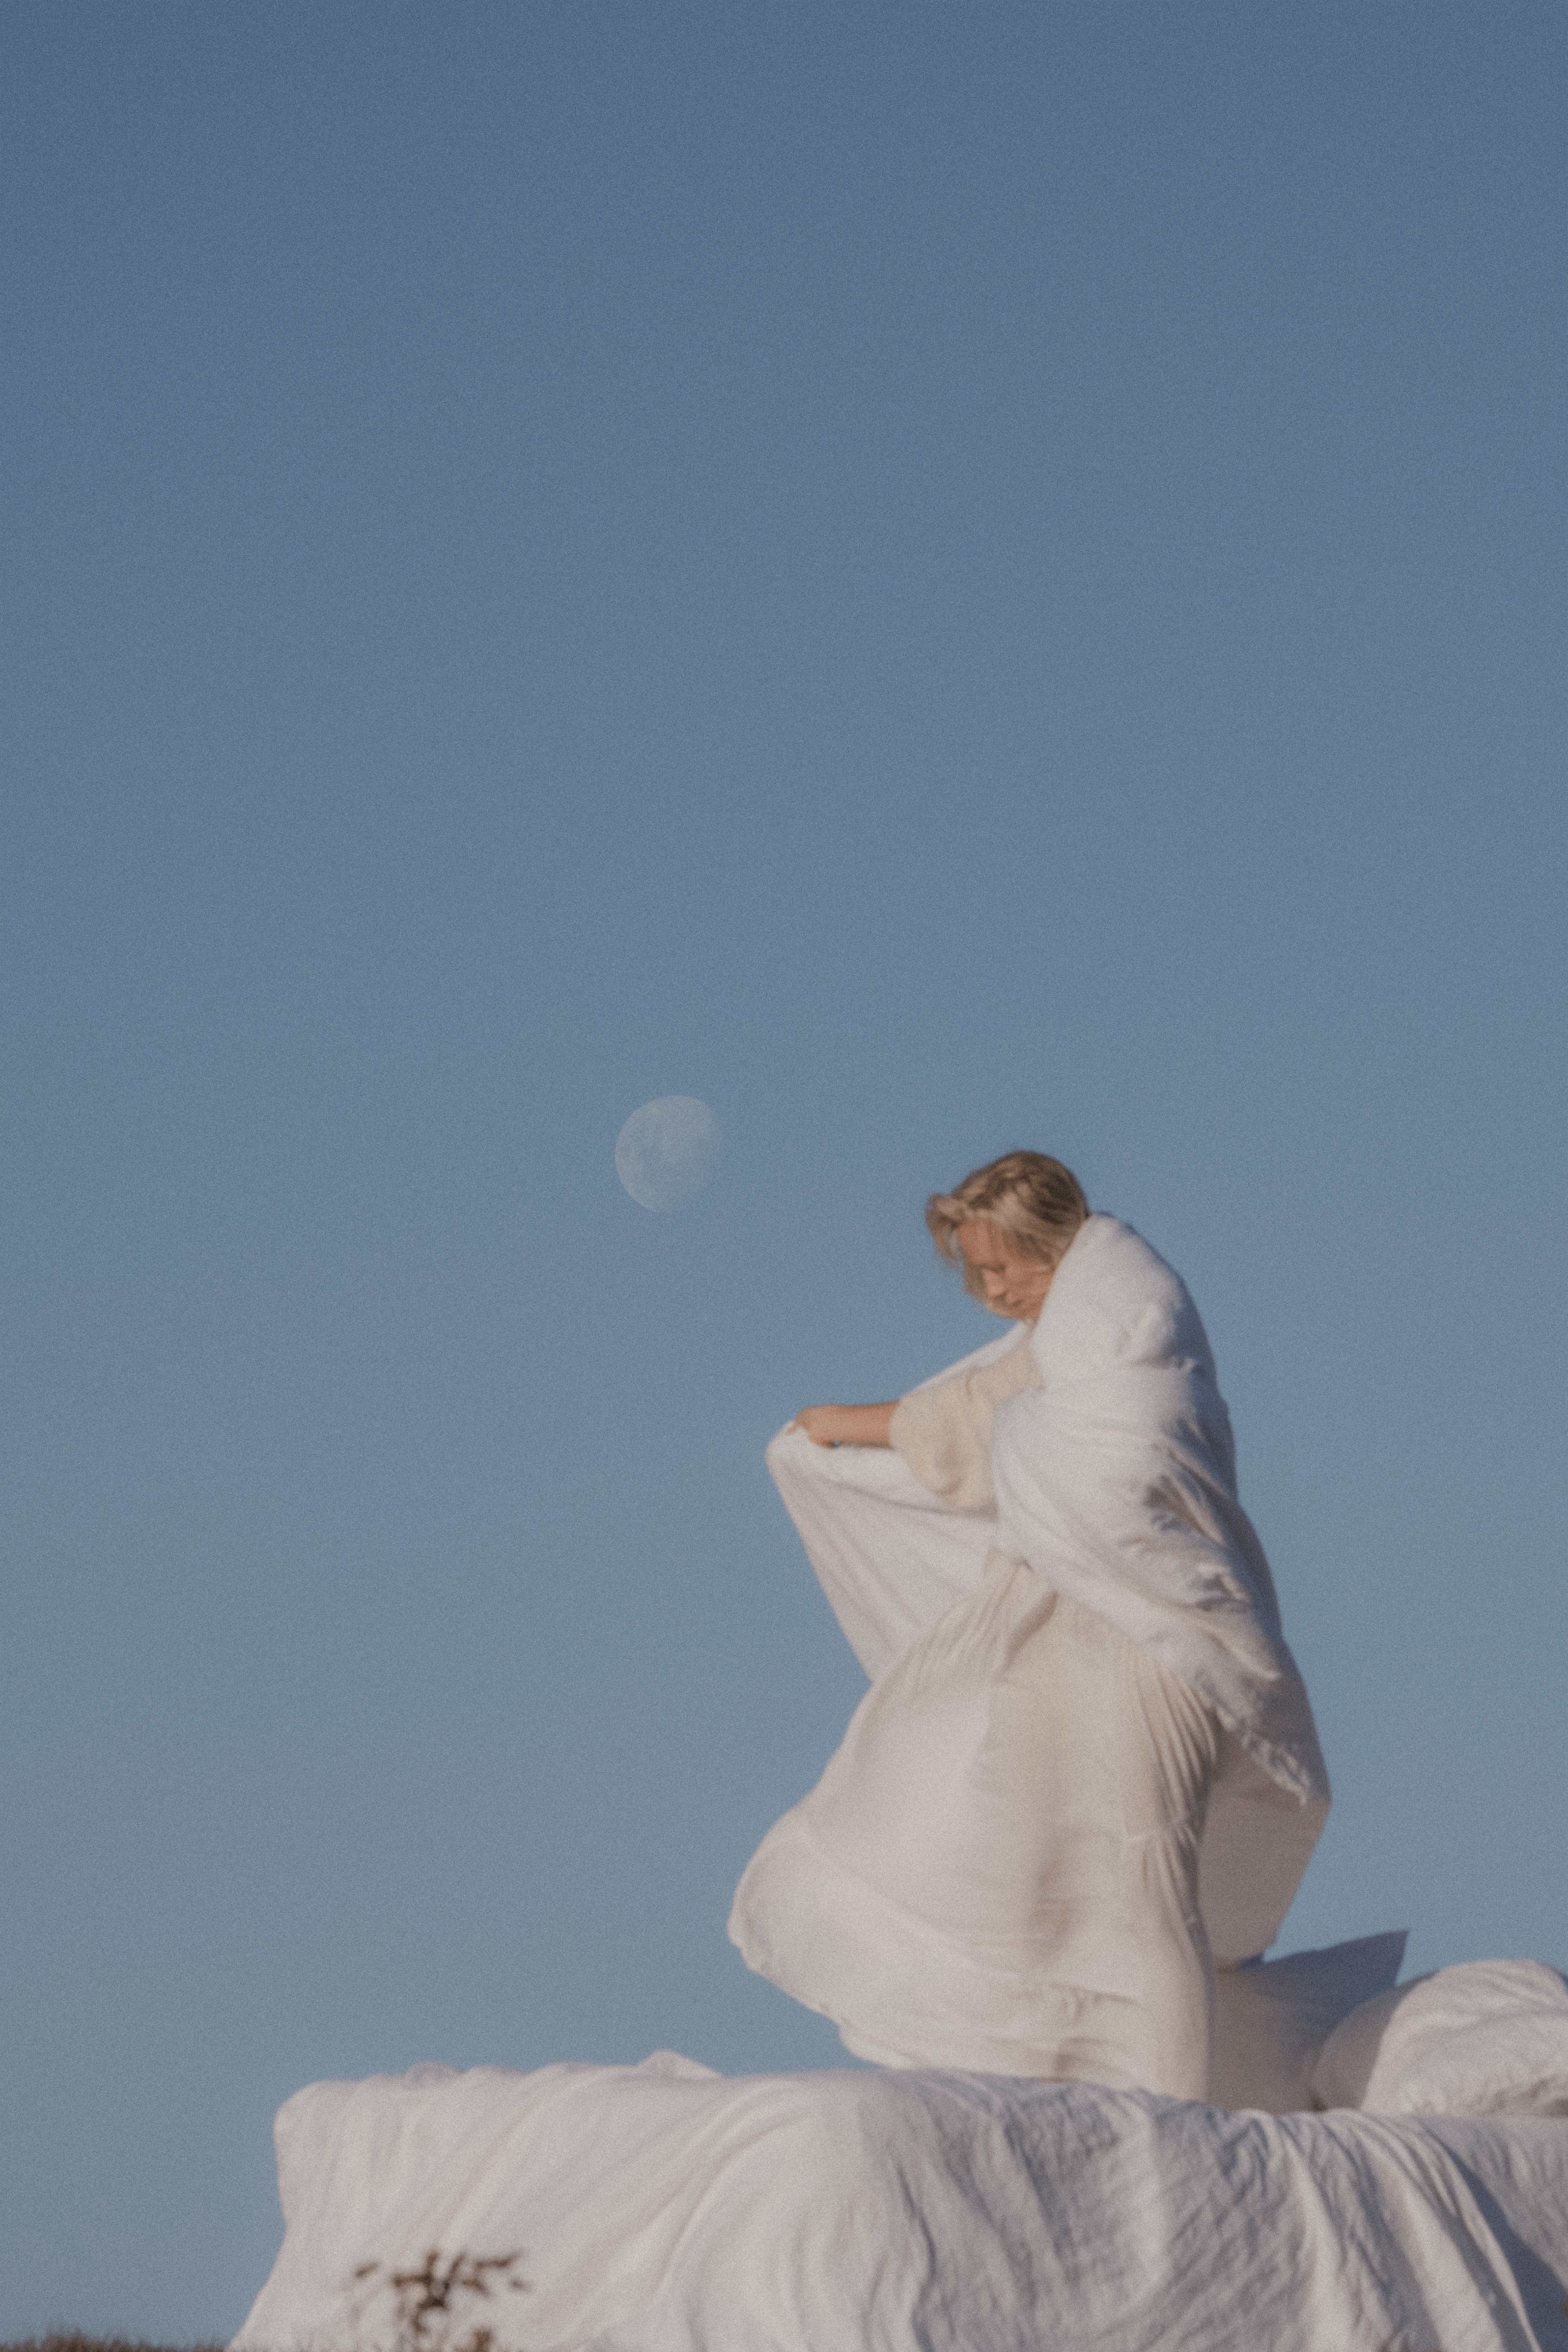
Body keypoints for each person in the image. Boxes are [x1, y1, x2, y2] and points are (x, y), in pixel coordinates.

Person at [728, 1152, 1329, 2102]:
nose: (989, 1288)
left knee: (1148, 1881)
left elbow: (1121, 1460)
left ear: (1055, 1241)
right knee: (1031, 1855)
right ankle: (1092, 2086)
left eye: (1003, 1265)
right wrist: (842, 1425)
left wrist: (1023, 1444)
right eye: (976, 1270)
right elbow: (979, 1410)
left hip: (1156, 1640)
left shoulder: (1129, 1324)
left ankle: (1181, 2115)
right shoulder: (1071, 1335)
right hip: (1090, 1632)